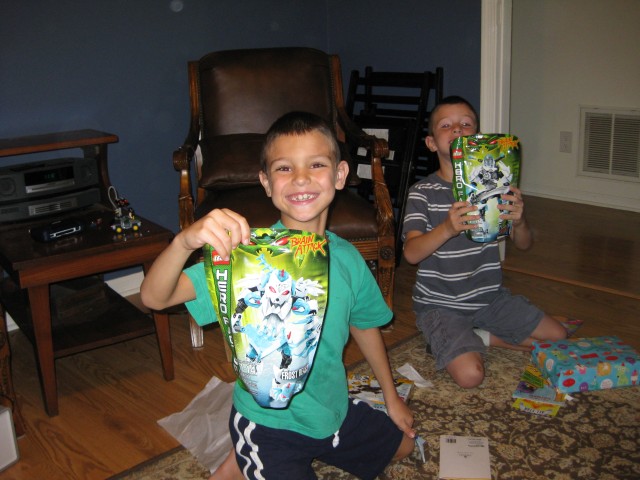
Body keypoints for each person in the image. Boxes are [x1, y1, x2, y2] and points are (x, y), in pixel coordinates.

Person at [140, 111, 416, 480]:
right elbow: (154, 298)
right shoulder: (243, 258)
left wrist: (391, 398)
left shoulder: (349, 258)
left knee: (405, 446)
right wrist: (183, 242)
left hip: (331, 411)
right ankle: (246, 451)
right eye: (285, 168)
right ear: (266, 183)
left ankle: (241, 460)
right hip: (271, 425)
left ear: (340, 175)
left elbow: (365, 325)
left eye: (316, 164)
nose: (301, 178)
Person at [402, 96, 567, 389]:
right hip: (440, 305)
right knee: (471, 376)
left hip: (489, 298)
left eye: (466, 124)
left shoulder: (495, 187)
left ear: (477, 137)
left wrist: (520, 222)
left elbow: (524, 244)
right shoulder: (422, 192)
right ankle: (462, 337)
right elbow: (411, 253)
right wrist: (447, 229)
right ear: (431, 143)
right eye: (446, 125)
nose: (457, 129)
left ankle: (479, 335)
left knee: (559, 336)